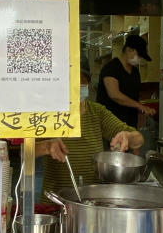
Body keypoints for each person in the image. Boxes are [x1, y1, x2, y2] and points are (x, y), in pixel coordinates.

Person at [37, 60, 144, 202]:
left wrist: (128, 137)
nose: (76, 86)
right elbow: (25, 151)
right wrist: (47, 146)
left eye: (81, 81)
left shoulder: (97, 112)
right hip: (56, 203)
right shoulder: (48, 113)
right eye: (70, 80)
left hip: (92, 204)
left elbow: (139, 139)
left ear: (88, 82)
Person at [95, 33, 156, 128]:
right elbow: (114, 95)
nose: (139, 59)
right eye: (138, 55)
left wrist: (143, 110)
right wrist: (139, 106)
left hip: (129, 127)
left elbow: (133, 99)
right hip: (110, 126)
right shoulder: (111, 68)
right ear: (128, 49)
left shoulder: (135, 72)